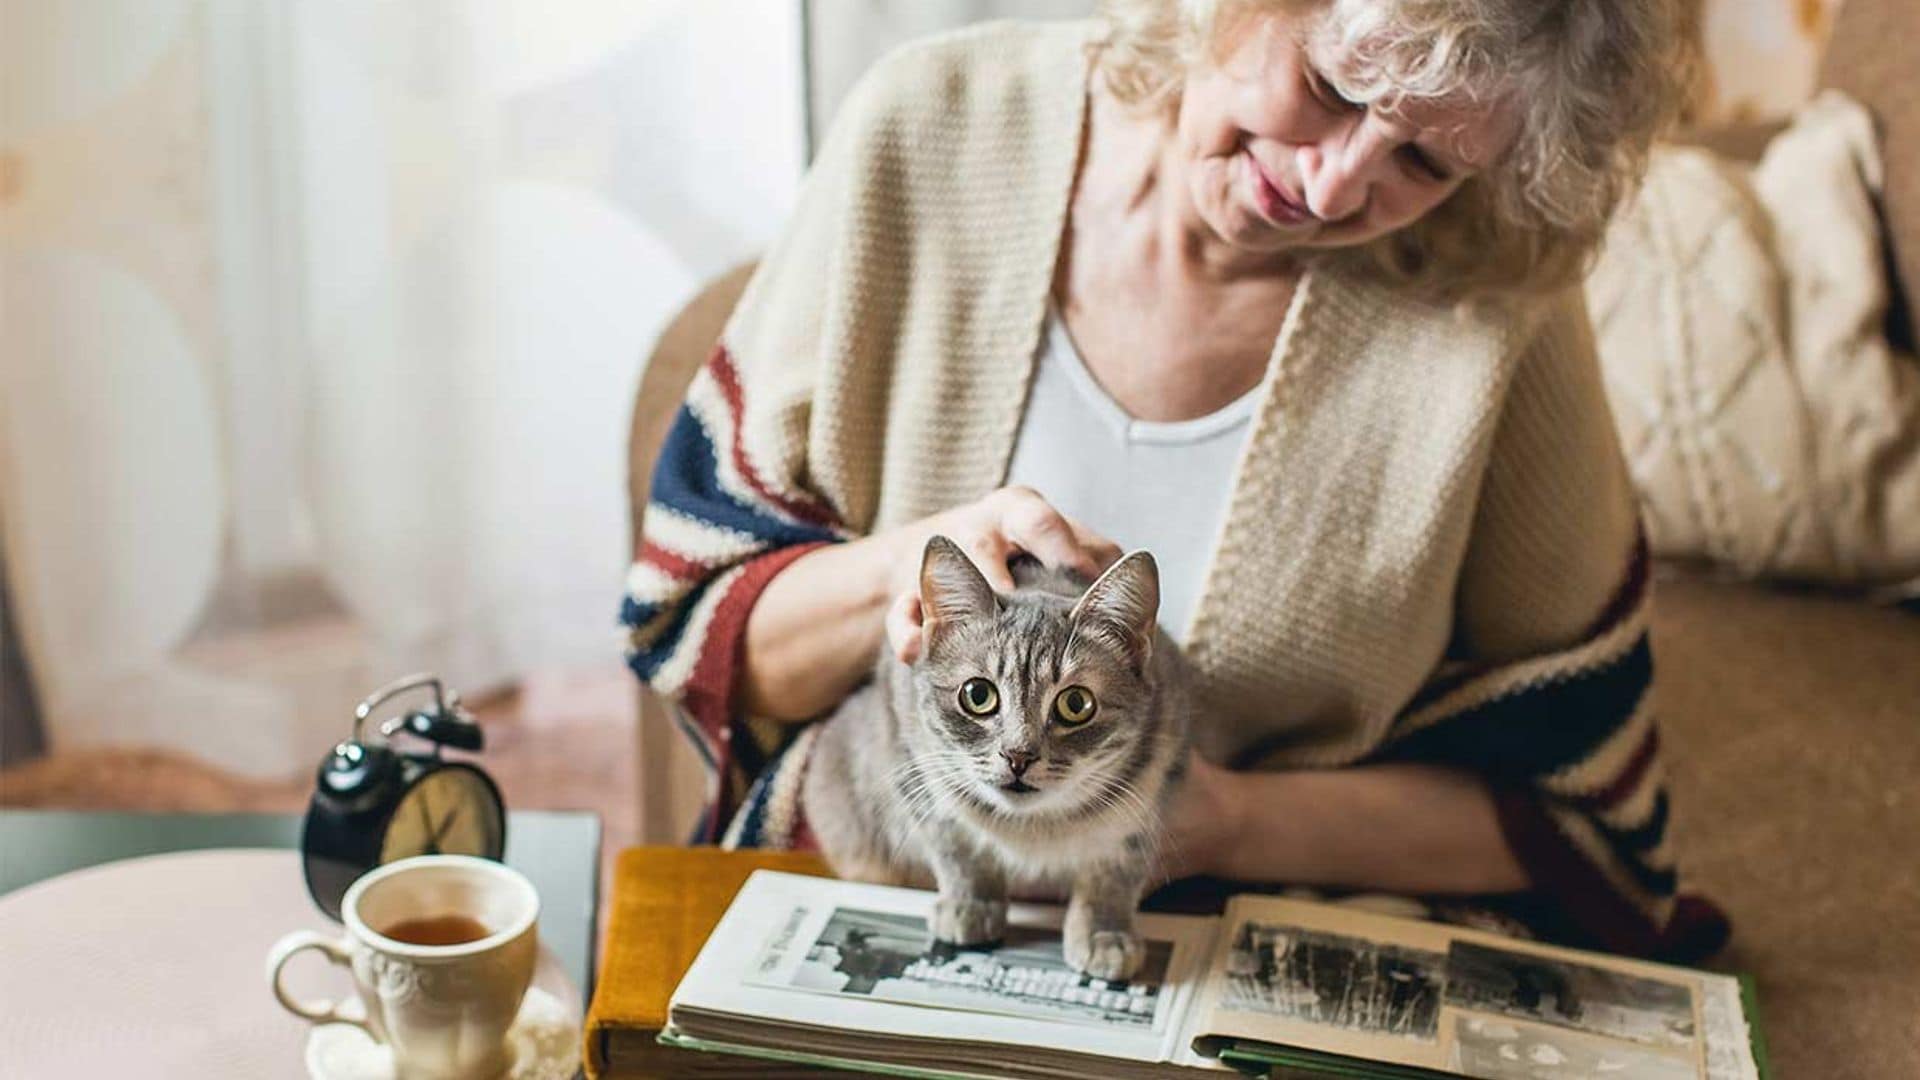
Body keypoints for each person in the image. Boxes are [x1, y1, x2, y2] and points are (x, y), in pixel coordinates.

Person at [622, 0, 1727, 961]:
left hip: (1250, 947)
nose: (1336, 184)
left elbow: (1581, 813)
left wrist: (1221, 822)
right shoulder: (929, 122)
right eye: (1331, 87)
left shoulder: (1496, 296)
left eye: (1424, 162)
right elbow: (701, 629)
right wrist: (905, 575)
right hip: (907, 885)